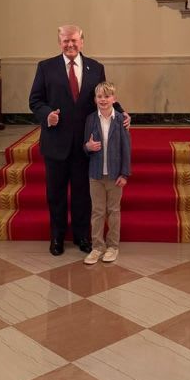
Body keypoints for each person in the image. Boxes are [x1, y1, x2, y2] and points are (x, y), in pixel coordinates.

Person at [29, 25, 129, 256]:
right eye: (65, 40)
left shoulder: (96, 68)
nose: (70, 44)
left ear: (82, 42)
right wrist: (47, 115)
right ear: (59, 42)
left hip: (86, 145)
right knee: (56, 194)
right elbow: (35, 101)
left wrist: (122, 112)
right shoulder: (46, 67)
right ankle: (57, 237)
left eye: (74, 40)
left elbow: (104, 96)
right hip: (56, 143)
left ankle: (82, 236)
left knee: (83, 194)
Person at [83, 82, 131, 264]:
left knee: (113, 210)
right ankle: (97, 247)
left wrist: (124, 174)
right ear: (95, 99)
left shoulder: (120, 120)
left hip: (115, 175)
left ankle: (112, 247)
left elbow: (126, 148)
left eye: (107, 96)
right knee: (97, 211)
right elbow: (84, 146)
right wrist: (88, 147)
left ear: (114, 99)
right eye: (99, 97)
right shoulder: (90, 119)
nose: (103, 100)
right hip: (95, 175)